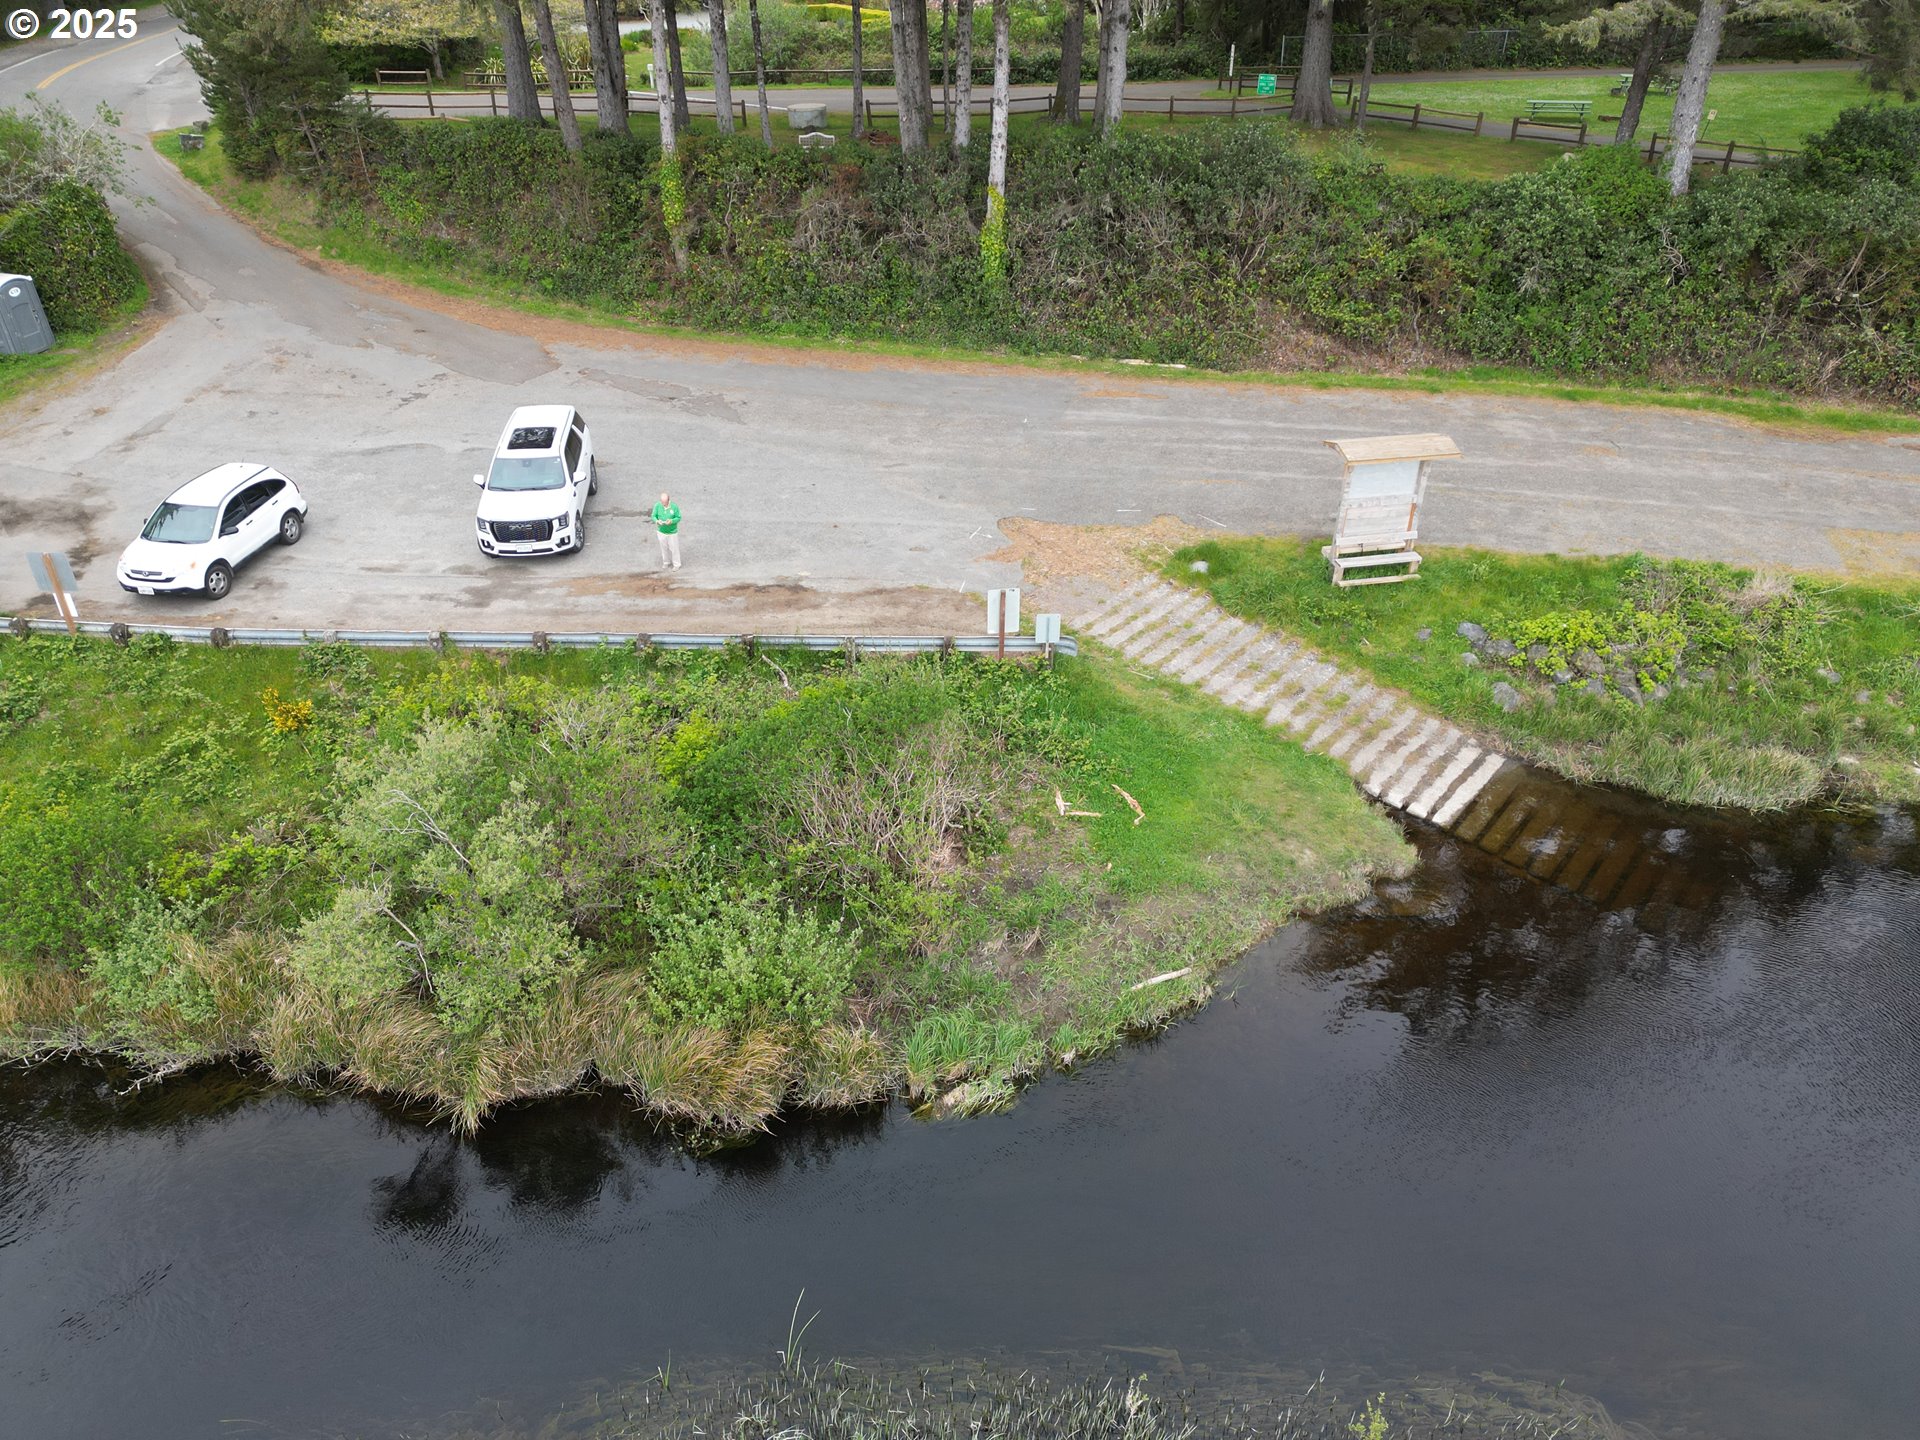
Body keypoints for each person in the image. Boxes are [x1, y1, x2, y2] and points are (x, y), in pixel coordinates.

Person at [650, 491, 682, 570]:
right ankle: (666, 562)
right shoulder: (657, 505)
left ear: (668, 500)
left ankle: (677, 564)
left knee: (674, 549)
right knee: (663, 548)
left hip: (672, 532)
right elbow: (653, 516)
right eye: (662, 502)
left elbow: (678, 517)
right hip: (661, 531)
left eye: (665, 502)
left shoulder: (674, 507)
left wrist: (671, 521)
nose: (663, 503)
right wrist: (657, 521)